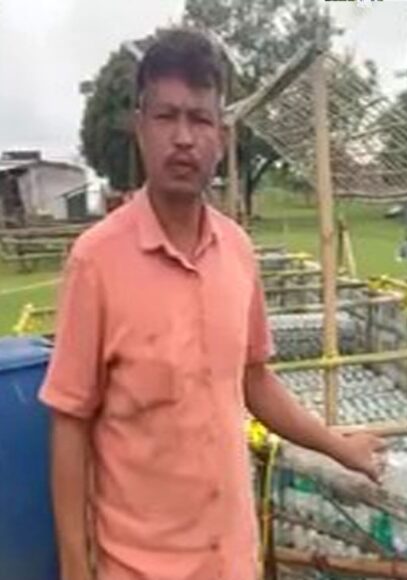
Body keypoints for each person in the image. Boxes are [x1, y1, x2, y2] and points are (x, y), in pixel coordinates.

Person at [39, 28, 385, 580]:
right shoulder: (95, 262)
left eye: (200, 119)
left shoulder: (237, 251)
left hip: (231, 559)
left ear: (221, 136)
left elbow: (255, 380)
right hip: (137, 567)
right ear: (139, 127)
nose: (183, 137)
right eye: (166, 116)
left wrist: (338, 446)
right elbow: (69, 423)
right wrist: (77, 568)